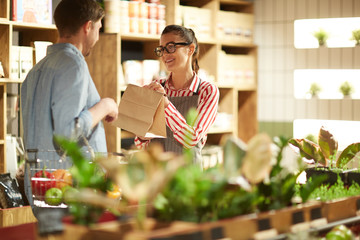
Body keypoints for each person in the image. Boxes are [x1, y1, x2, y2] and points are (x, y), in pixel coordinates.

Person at [21, 0, 118, 220]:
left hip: (42, 185)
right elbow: (66, 133)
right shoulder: (73, 63)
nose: (98, 37)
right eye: (99, 29)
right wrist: (105, 106)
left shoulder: (36, 70)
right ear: (87, 27)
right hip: (69, 187)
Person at [134, 24, 219, 165]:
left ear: (190, 49)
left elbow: (191, 139)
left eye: (171, 47)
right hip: (157, 174)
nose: (165, 54)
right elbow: (141, 144)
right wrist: (141, 121)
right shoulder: (157, 87)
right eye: (162, 49)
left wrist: (165, 104)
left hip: (188, 179)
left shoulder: (207, 91)